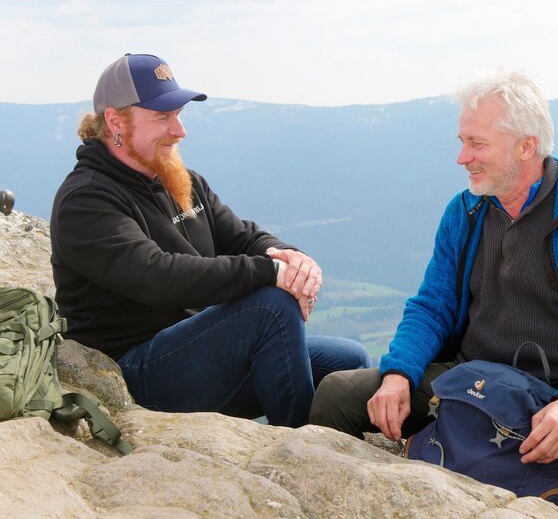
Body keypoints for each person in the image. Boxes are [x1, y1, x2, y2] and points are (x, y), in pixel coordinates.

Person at [310, 70, 558, 518]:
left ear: (526, 145)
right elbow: (432, 306)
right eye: (462, 141)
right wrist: (399, 373)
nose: (462, 158)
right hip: (473, 379)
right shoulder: (465, 212)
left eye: (476, 143)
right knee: (338, 393)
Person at [50, 53, 370, 428]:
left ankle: (332, 444)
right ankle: (301, 447)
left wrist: (293, 259)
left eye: (179, 114)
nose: (179, 130)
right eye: (162, 117)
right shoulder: (87, 200)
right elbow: (157, 276)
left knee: (348, 364)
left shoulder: (179, 179)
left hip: (200, 355)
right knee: (269, 306)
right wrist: (271, 273)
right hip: (137, 371)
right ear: (116, 121)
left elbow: (242, 236)